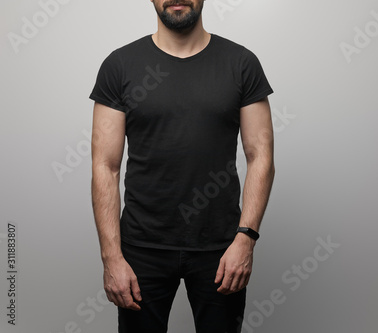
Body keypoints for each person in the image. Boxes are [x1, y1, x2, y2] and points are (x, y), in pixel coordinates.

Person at [89, 1, 275, 332]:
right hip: (141, 249)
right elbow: (105, 166)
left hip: (221, 248)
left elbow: (260, 156)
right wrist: (111, 257)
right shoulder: (120, 65)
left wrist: (245, 239)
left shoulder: (241, 63)